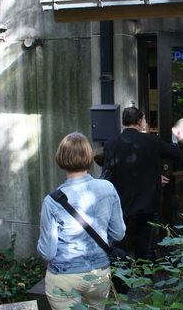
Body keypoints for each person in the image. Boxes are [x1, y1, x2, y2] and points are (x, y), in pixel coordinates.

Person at [38, 132, 125, 310]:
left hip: (64, 276)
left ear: (60, 158)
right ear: (89, 157)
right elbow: (119, 233)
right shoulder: (108, 188)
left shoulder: (52, 200)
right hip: (100, 273)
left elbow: (47, 252)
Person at [102, 107, 180, 260]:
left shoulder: (111, 143)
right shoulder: (151, 140)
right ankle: (145, 276)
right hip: (148, 200)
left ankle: (121, 276)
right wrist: (176, 137)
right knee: (145, 244)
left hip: (121, 200)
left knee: (119, 242)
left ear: (124, 122)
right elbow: (175, 153)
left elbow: (110, 170)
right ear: (139, 122)